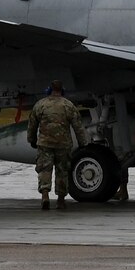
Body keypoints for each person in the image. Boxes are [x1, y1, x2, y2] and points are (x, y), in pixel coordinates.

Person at [26, 80, 86, 210]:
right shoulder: (68, 105)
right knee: (62, 171)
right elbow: (78, 126)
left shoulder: (41, 105)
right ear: (62, 90)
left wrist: (31, 140)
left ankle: (45, 196)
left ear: (49, 89)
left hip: (45, 144)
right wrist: (83, 143)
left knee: (44, 170)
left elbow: (32, 125)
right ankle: (60, 200)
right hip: (63, 145)